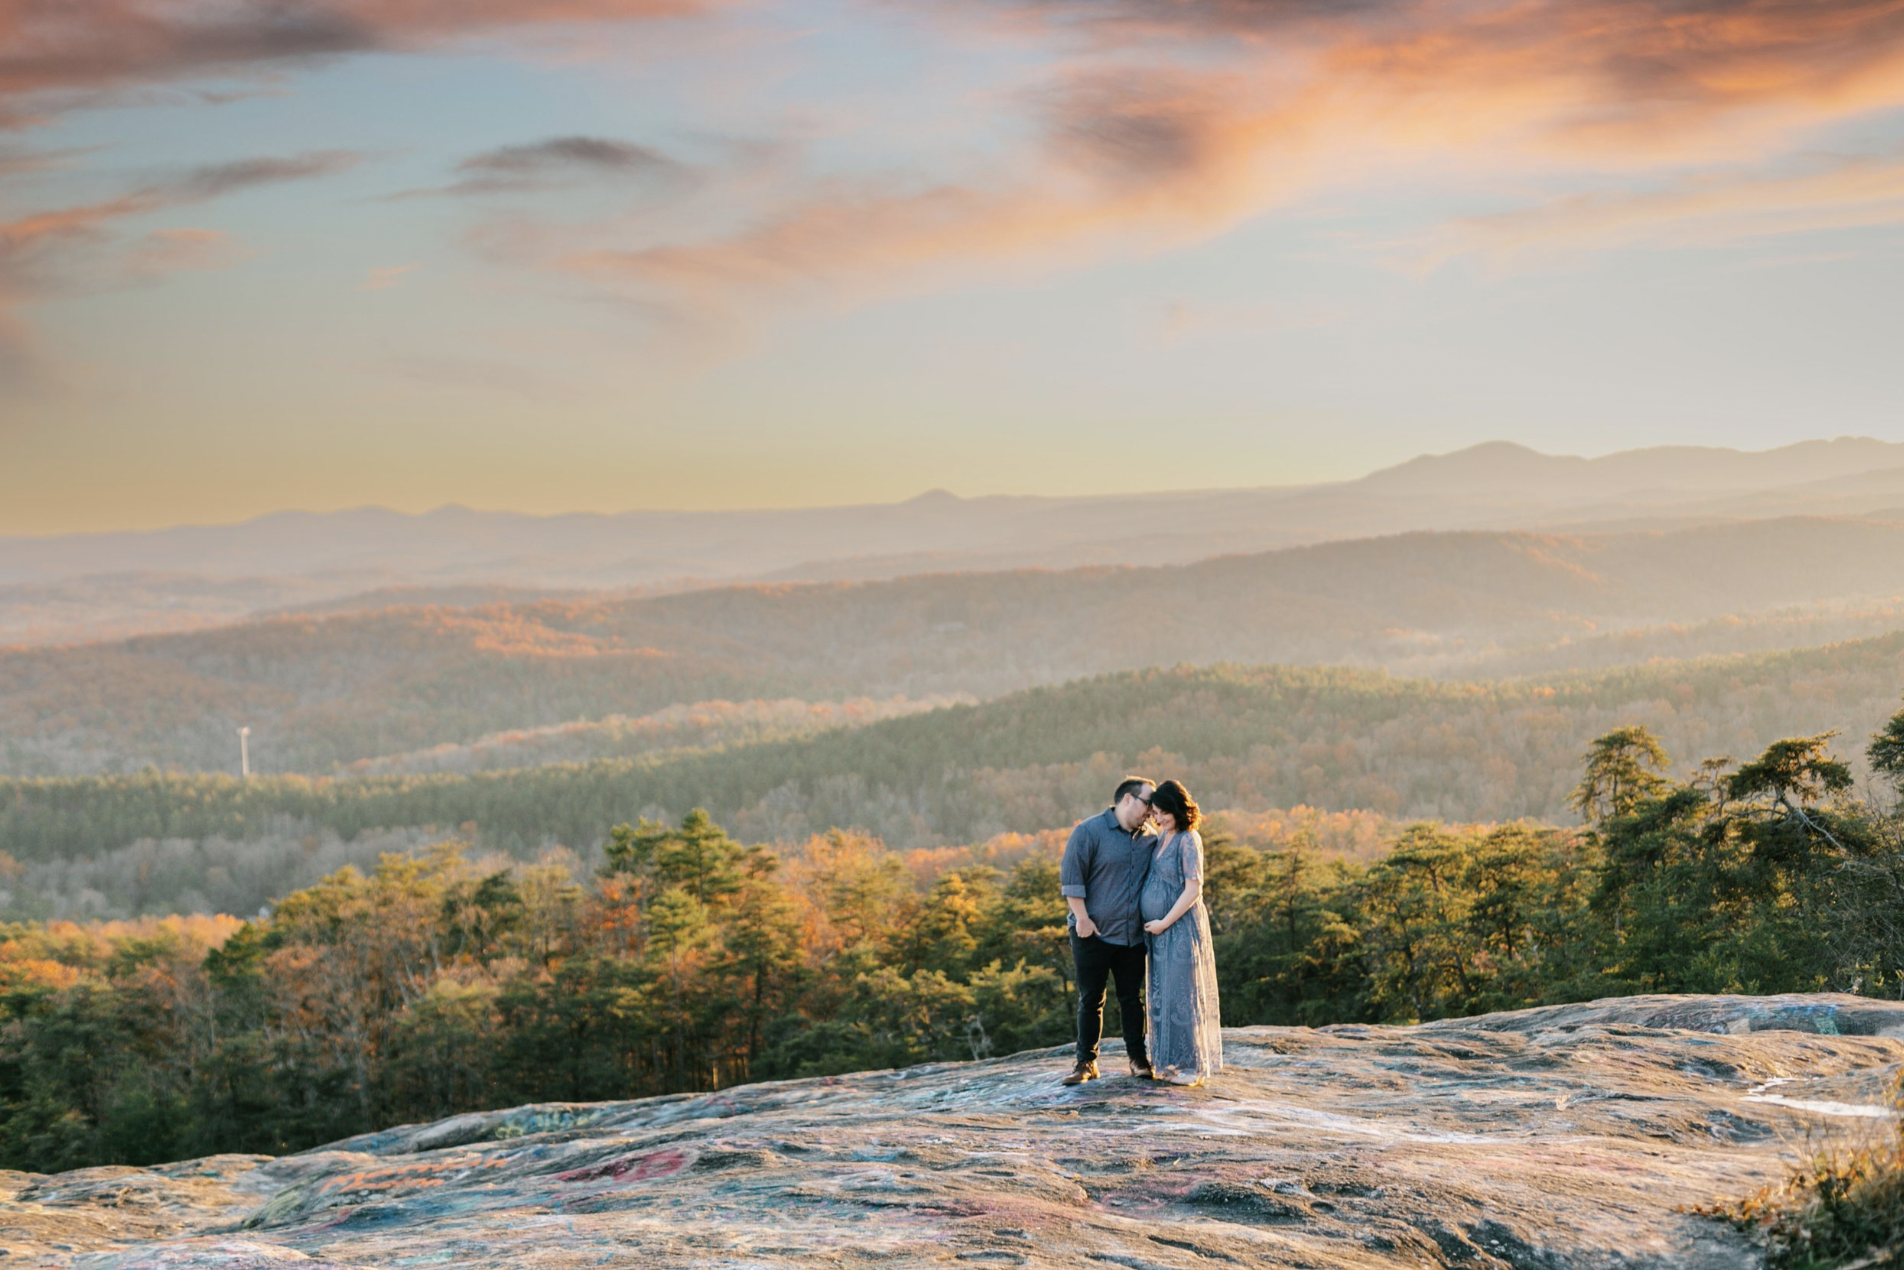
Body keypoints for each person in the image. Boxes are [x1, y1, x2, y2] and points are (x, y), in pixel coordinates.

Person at [1058, 775, 1157, 1085]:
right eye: (1147, 804)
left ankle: (1138, 1060)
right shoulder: (1089, 831)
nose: (1150, 812)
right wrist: (1082, 920)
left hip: (1132, 936)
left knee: (1132, 999)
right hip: (1092, 933)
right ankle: (1086, 1062)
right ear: (1127, 799)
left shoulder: (1150, 839)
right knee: (1091, 999)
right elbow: (1072, 879)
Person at [1141, 779, 1223, 1086]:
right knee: (1164, 995)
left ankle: (1190, 1066)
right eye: (1155, 813)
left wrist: (1164, 922)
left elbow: (1193, 888)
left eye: (1162, 812)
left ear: (1177, 809)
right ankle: (1169, 1061)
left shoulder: (1189, 839)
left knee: (1182, 994)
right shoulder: (1163, 836)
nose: (1158, 818)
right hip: (1159, 934)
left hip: (1179, 929)